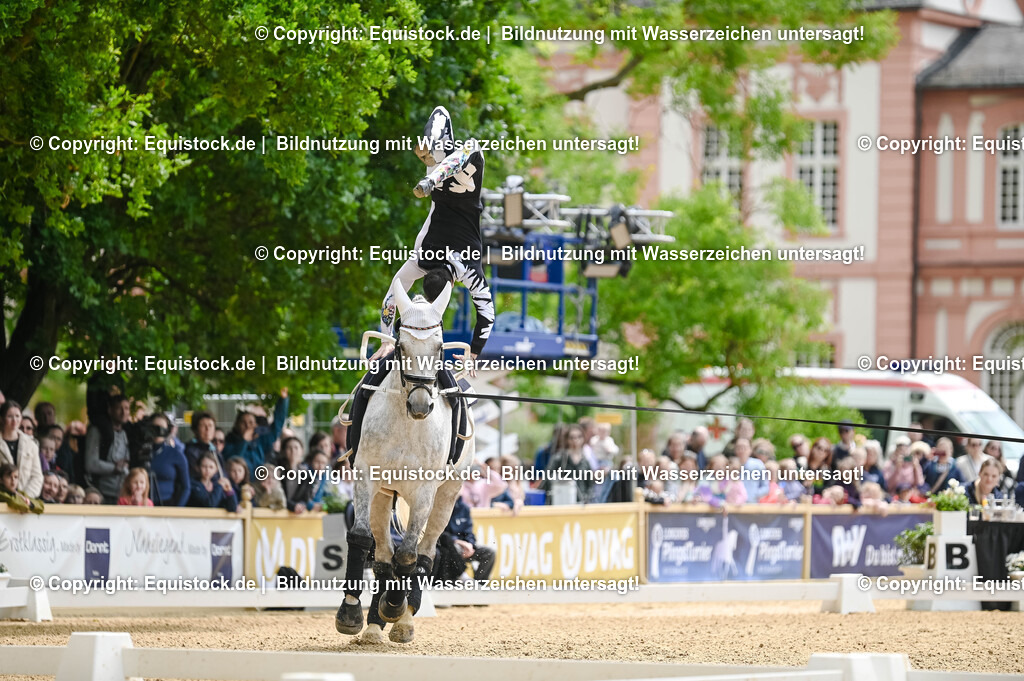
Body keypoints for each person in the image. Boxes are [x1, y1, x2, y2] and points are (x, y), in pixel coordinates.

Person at [376, 105, 494, 366]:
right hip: (450, 169)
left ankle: (433, 166)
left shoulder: (466, 270)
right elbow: (390, 298)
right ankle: (432, 163)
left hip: (455, 170)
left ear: (452, 286)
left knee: (456, 142)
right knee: (456, 143)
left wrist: (474, 354)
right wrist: (386, 336)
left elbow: (488, 315)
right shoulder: (422, 258)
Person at [221, 388, 289, 474]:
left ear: (255, 425)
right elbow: (233, 460)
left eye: (251, 422)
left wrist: (283, 401)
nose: (247, 426)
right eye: (243, 423)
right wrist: (244, 441)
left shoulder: (261, 440)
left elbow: (277, 426)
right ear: (237, 425)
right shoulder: (229, 441)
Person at [84, 394, 132, 504]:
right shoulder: (97, 431)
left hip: (121, 492)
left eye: (126, 408)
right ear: (110, 410)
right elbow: (90, 464)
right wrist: (115, 468)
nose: (124, 412)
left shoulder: (126, 432)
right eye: (119, 408)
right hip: (101, 492)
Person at [442, 495, 495, 583]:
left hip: (466, 546)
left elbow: (469, 531)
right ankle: (461, 574)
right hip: (451, 545)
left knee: (489, 553)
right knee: (453, 547)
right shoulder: (442, 507)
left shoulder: (464, 508)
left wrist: (470, 544)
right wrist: (460, 542)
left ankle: (479, 583)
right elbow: (443, 534)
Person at [0, 400, 43, 498]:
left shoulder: (31, 444)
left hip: (25, 501)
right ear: (2, 419)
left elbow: (37, 476)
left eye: (17, 416)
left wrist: (25, 497)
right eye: (10, 416)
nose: (14, 420)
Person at [542, 424, 594, 503]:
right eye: (572, 437)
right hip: (562, 500)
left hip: (581, 503)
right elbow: (547, 477)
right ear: (567, 439)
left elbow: (590, 485)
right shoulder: (559, 458)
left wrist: (587, 498)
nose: (575, 440)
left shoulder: (585, 461)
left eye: (579, 437)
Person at [147, 413, 191, 506]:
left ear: (167, 430)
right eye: (154, 428)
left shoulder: (176, 454)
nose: (158, 431)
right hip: (143, 503)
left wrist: (177, 510)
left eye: (162, 428)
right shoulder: (141, 452)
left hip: (167, 504)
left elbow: (186, 487)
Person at [276, 437, 314, 513]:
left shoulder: (307, 474)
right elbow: (277, 496)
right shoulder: (278, 471)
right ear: (284, 451)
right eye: (289, 448)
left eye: (296, 448)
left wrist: (300, 505)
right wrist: (292, 506)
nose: (293, 451)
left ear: (302, 451)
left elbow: (305, 497)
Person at [184, 411, 219, 480]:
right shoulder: (190, 451)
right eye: (203, 425)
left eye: (210, 425)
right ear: (195, 430)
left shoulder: (214, 449)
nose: (207, 429)